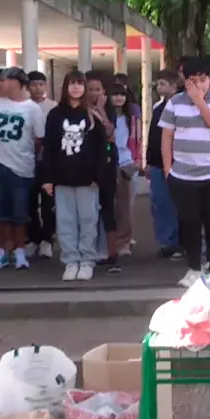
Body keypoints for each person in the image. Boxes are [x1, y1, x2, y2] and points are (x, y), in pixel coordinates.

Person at [159, 57, 210, 287]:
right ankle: (193, 268)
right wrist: (168, 170)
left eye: (203, 79)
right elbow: (166, 137)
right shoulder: (174, 103)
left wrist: (200, 102)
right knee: (189, 222)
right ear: (185, 81)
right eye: (193, 80)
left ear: (209, 80)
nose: (199, 84)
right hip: (184, 175)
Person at [40, 71, 108, 280]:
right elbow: (49, 148)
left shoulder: (92, 114)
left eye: (80, 84)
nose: (76, 88)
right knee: (65, 221)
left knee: (88, 220)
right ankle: (70, 260)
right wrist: (47, 178)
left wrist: (99, 177)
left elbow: (100, 149)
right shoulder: (55, 115)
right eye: (72, 84)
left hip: (88, 180)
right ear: (65, 87)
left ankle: (87, 260)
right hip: (62, 179)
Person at [0, 67, 45, 270]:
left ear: (18, 83)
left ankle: (19, 251)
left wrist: (30, 156)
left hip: (21, 167)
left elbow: (39, 139)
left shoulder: (32, 109)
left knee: (20, 212)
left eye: (5, 81)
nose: (1, 84)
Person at [85, 71, 121, 274]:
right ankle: (89, 250)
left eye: (97, 90)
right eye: (90, 89)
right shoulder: (80, 110)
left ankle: (111, 252)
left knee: (107, 207)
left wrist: (101, 110)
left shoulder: (107, 110)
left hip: (106, 163)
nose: (93, 93)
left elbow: (109, 132)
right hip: (86, 164)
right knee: (89, 209)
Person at [146, 69, 182, 259]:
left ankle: (179, 241)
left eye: (163, 83)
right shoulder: (158, 108)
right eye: (158, 83)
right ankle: (166, 241)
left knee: (177, 203)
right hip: (158, 163)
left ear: (174, 86)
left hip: (178, 162)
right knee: (159, 202)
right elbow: (153, 136)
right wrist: (149, 161)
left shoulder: (182, 106)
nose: (159, 87)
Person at [25, 71, 58, 259]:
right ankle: (33, 239)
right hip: (26, 160)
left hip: (48, 161)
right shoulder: (23, 107)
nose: (37, 88)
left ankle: (47, 240)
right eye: (33, 85)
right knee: (29, 202)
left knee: (48, 203)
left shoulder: (52, 107)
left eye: (41, 84)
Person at [109, 83, 142, 257]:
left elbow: (137, 141)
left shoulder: (131, 118)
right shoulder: (105, 116)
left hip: (127, 164)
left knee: (125, 208)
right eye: (115, 94)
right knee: (109, 207)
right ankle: (110, 241)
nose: (118, 98)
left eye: (122, 94)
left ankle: (124, 242)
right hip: (108, 164)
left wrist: (137, 161)